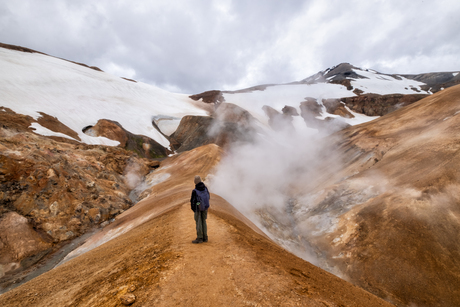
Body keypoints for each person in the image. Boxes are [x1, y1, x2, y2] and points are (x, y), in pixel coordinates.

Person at [190, 175, 210, 244]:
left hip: (198, 209)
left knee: (198, 223)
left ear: (195, 182)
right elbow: (208, 197)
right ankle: (205, 237)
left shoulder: (195, 191)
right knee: (203, 221)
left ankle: (199, 238)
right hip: (205, 208)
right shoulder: (205, 188)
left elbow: (193, 201)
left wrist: (196, 207)